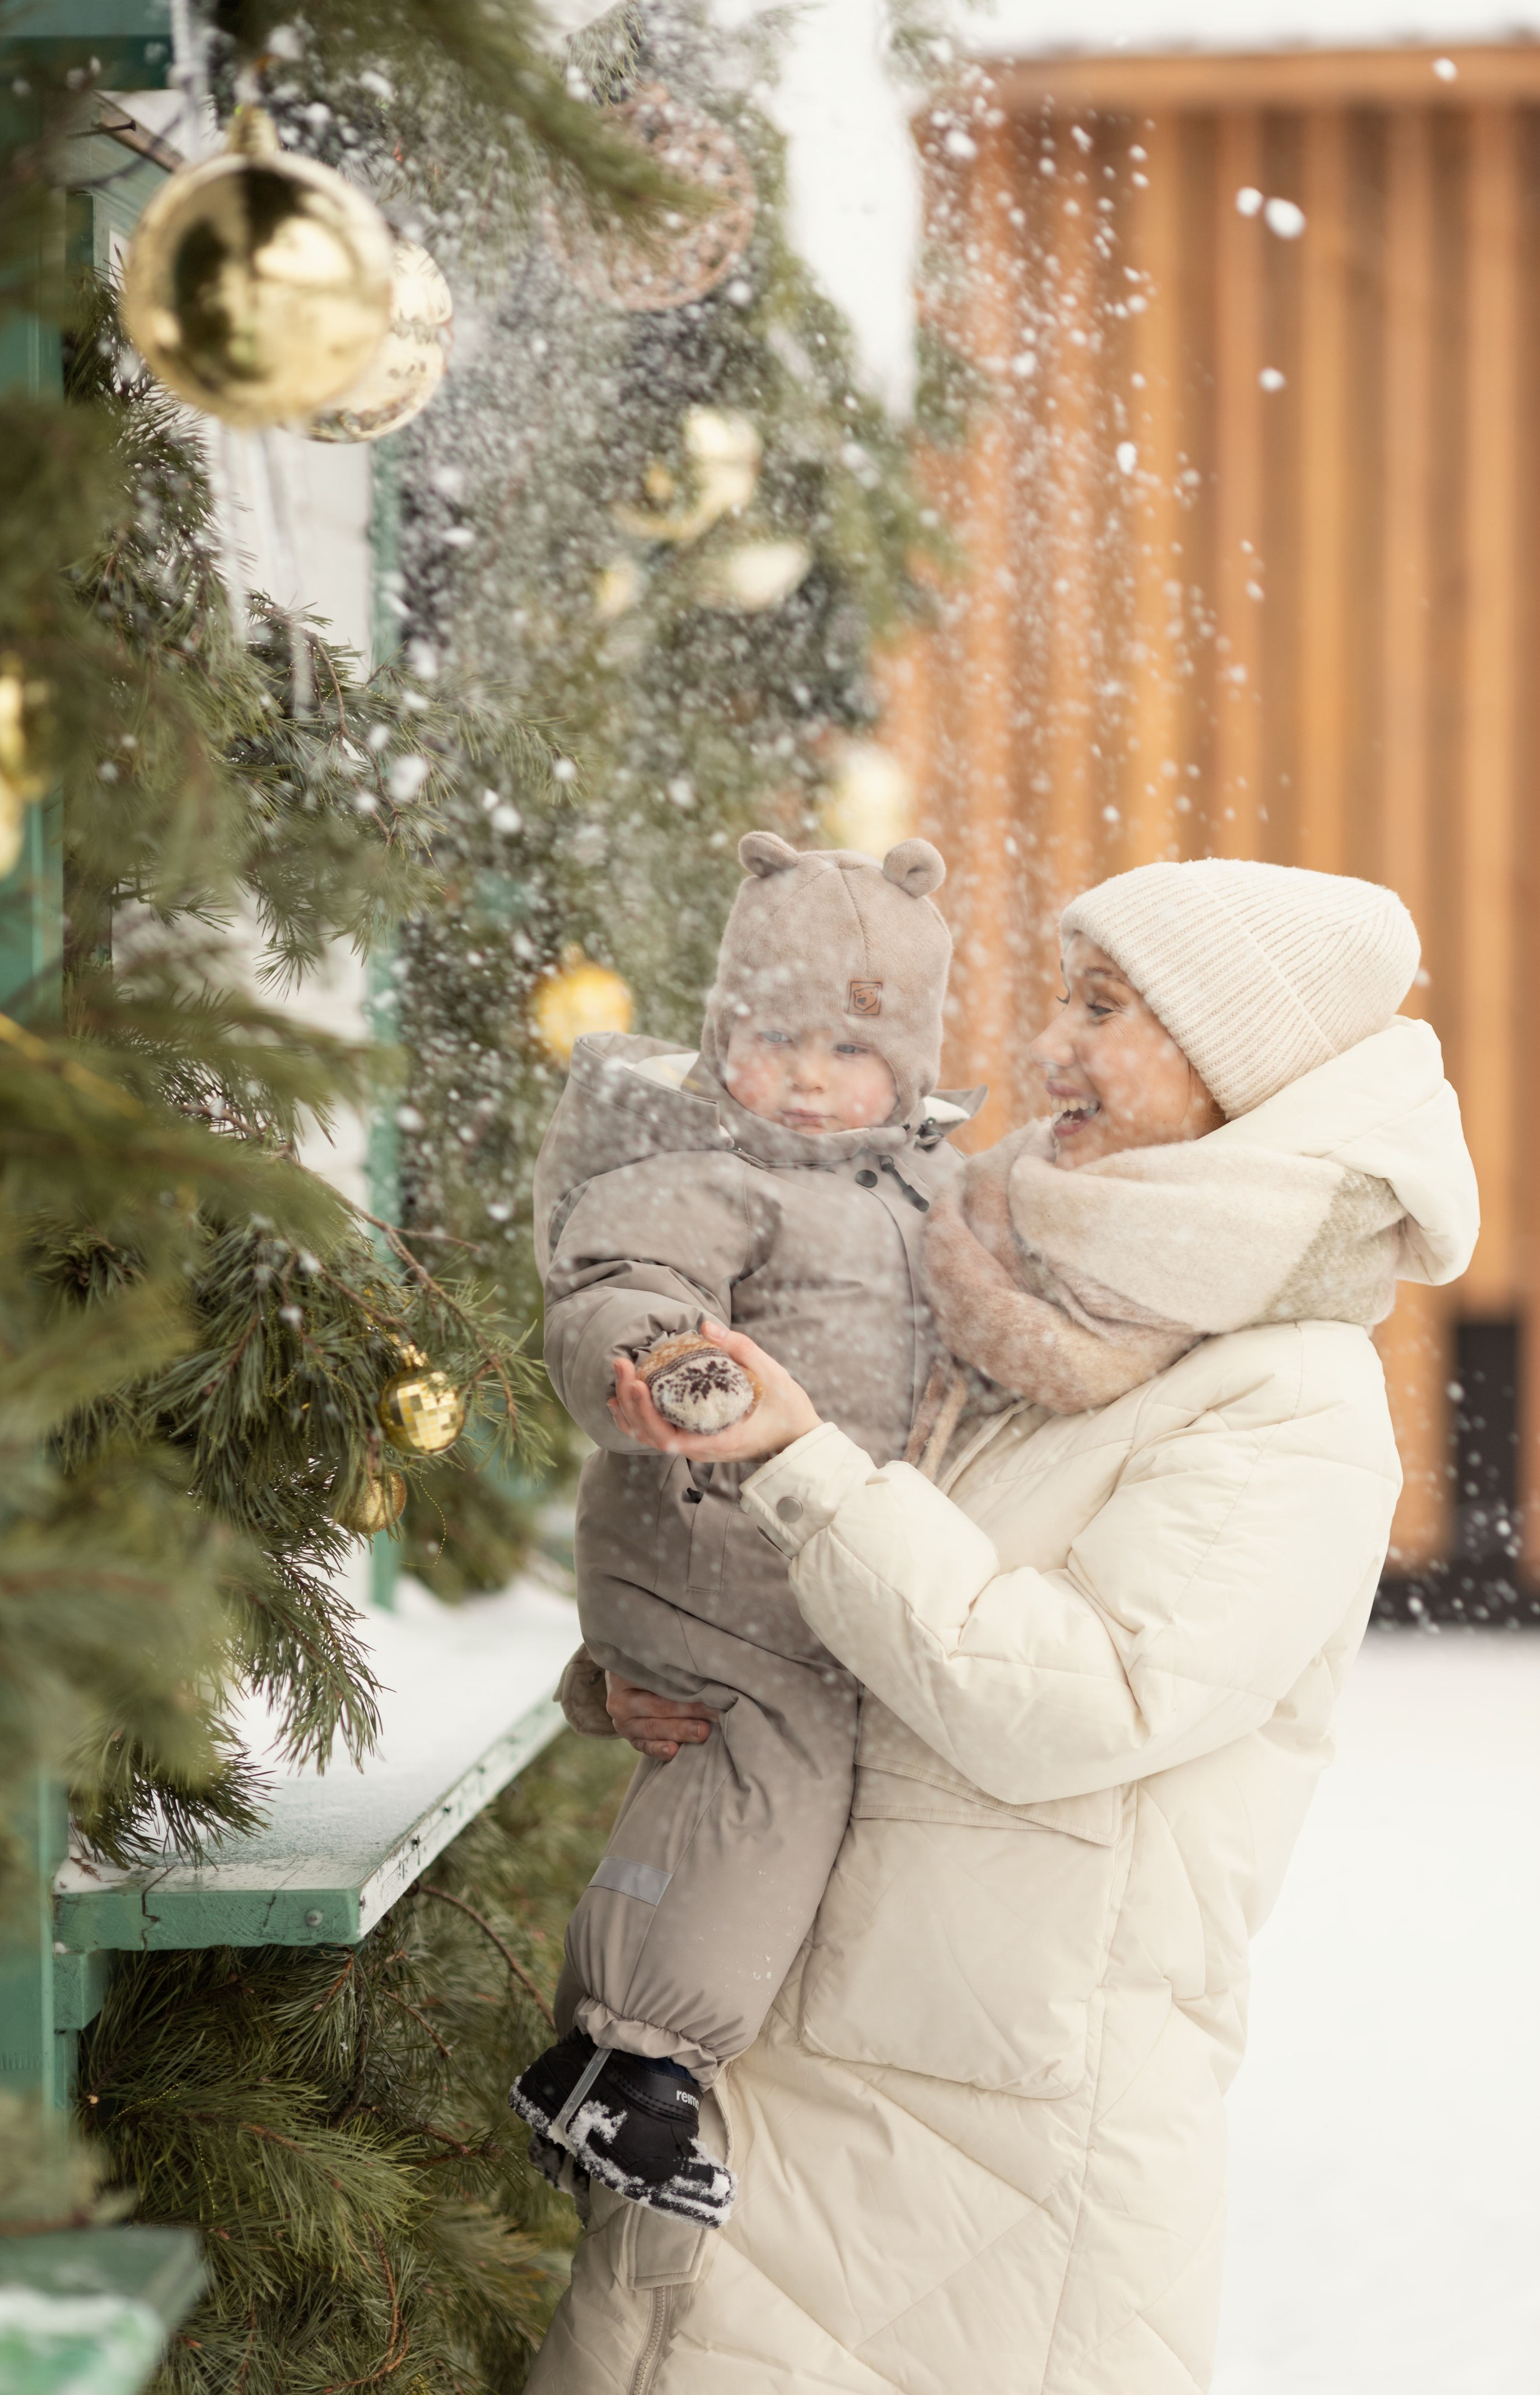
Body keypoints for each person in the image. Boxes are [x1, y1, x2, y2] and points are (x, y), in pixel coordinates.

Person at [527, 857, 1479, 2395]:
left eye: (1102, 1009)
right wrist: (659, 1663)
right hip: (793, 2094)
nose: (1044, 1050)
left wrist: (796, 1468)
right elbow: (864, 1616)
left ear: (1231, 1066)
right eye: (1059, 996)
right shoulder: (1006, 1285)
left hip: (978, 2185)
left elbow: (1069, 1703)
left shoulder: (1287, 1404)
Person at [510, 829, 975, 2228]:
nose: (810, 1080)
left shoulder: (920, 1190)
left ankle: (621, 2059)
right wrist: (663, 1363)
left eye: (850, 1053)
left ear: (905, 1067)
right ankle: (623, 2066)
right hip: (703, 1554)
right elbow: (617, 1279)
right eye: (775, 1041)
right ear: (723, 1039)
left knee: (761, 1776)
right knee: (768, 1769)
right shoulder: (706, 1170)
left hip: (805, 1569)